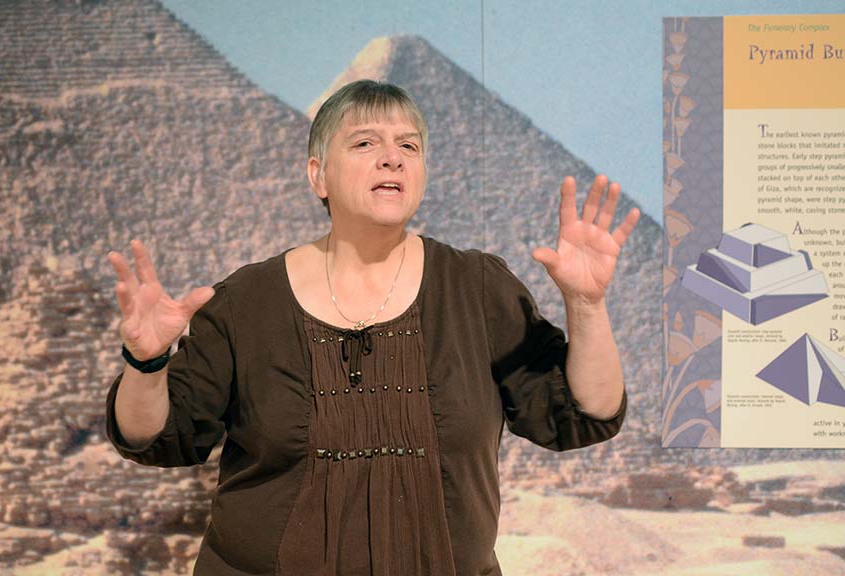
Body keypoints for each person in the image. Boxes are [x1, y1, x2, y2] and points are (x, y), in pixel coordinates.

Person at [105, 80, 640, 576]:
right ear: (317, 174)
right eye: (364, 143)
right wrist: (146, 362)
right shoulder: (245, 302)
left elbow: (582, 411)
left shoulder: (476, 288)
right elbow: (153, 434)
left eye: (409, 146)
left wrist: (586, 304)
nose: (392, 157)